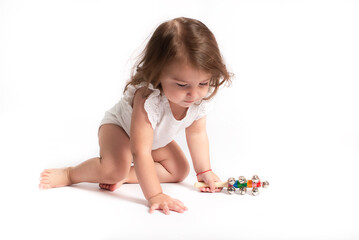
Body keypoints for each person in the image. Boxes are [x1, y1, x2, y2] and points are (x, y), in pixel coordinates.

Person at [39, 17, 232, 215]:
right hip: (120, 129)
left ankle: (126, 176)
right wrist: (155, 194)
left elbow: (197, 134)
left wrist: (204, 171)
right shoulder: (148, 98)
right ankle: (71, 174)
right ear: (158, 73)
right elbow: (141, 151)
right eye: (183, 85)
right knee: (114, 169)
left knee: (180, 170)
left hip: (153, 139)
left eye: (203, 83)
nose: (194, 94)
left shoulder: (197, 100)